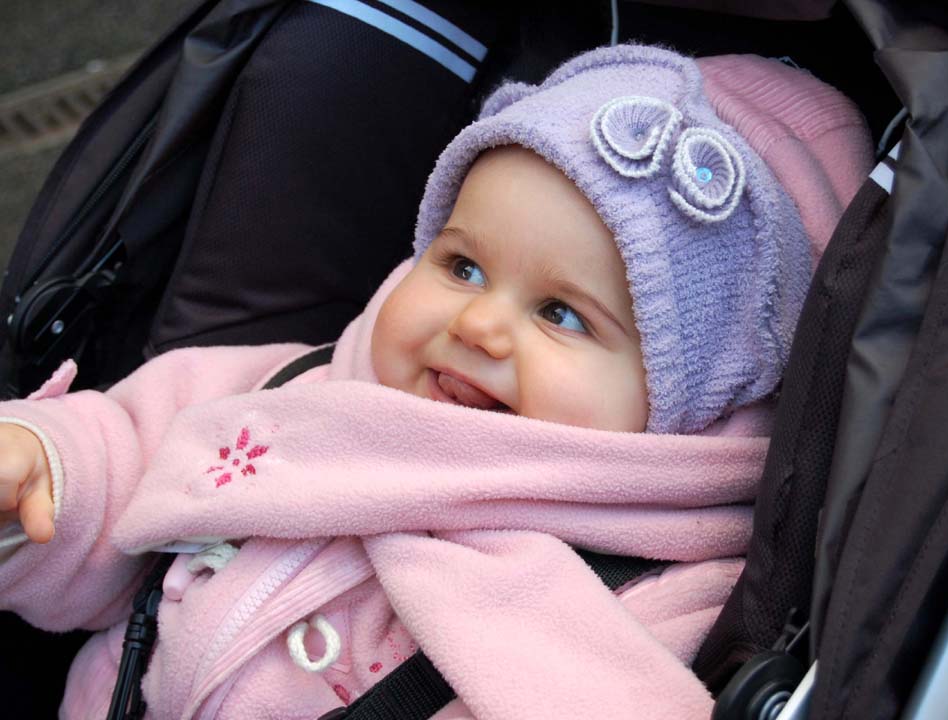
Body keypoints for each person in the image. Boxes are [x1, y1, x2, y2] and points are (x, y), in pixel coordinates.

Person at [0, 46, 870, 719]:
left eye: (561, 314)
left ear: (691, 400)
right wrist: (44, 464)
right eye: (461, 266)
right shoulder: (300, 390)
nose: (478, 324)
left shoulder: (651, 592)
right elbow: (123, 452)